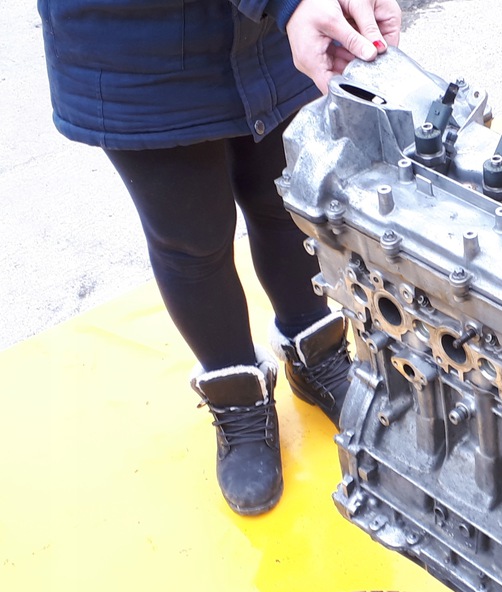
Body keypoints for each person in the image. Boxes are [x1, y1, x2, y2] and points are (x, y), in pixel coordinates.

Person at [38, 0, 402, 515]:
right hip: (137, 48)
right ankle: (236, 396)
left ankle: (315, 352)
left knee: (288, 201)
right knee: (191, 241)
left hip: (266, 35)